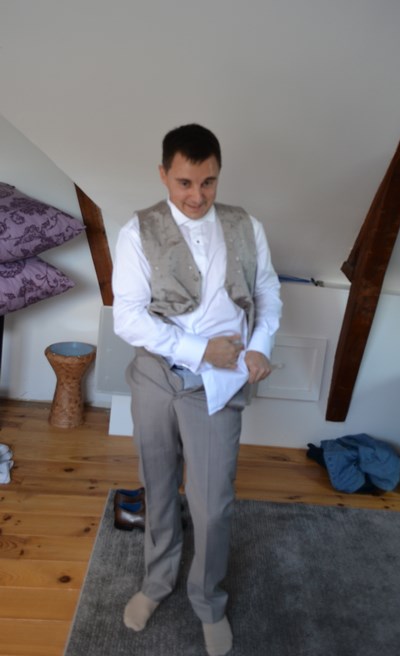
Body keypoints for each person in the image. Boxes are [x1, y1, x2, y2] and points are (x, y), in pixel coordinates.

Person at [112, 123, 282, 656]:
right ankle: (157, 581)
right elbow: (128, 318)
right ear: (164, 174)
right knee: (158, 485)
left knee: (212, 505)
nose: (196, 195)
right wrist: (200, 350)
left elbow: (267, 293)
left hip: (221, 383)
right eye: (185, 182)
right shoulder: (136, 231)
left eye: (208, 182)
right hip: (157, 376)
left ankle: (208, 600)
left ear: (218, 175)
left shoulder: (247, 226)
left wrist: (260, 347)